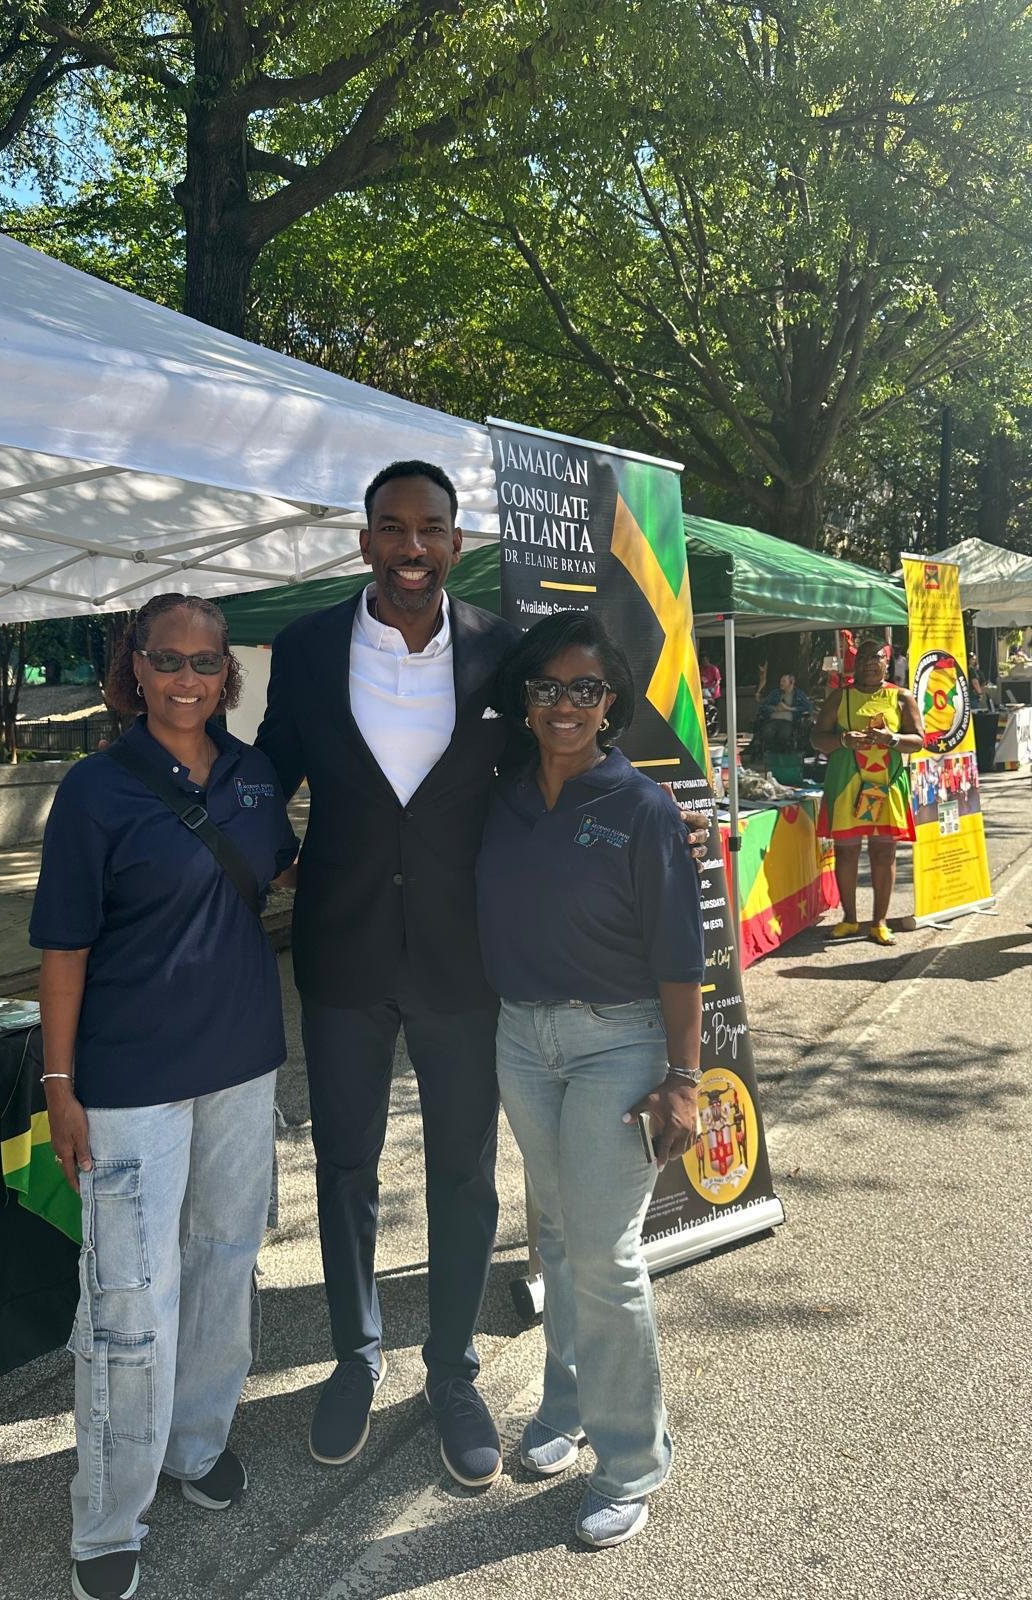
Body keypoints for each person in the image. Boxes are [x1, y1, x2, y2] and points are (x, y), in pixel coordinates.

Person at [256, 458, 712, 1491]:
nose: (411, 547)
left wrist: (657, 816)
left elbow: (559, 756)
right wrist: (229, 841)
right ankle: (355, 1356)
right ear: (365, 541)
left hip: (465, 961)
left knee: (464, 1175)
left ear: (457, 544)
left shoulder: (505, 652)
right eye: (392, 527)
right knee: (344, 1166)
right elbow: (268, 770)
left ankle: (452, 1371)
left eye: (431, 529)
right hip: (342, 954)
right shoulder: (307, 647)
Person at [30, 593, 298, 1600]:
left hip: (242, 1064)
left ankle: (195, 1442)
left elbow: (283, 873)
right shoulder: (95, 789)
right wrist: (60, 1086)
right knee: (129, 1298)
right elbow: (64, 950)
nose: (188, 678)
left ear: (228, 675)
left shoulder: (255, 777)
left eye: (205, 662)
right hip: (130, 1079)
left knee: (225, 1261)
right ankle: (109, 1516)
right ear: (134, 668)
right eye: (168, 659)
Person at [475, 611, 704, 1548]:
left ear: (611, 702)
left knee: (605, 1253)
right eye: (547, 687)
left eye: (585, 688)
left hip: (620, 1043)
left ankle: (631, 1461)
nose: (564, 704)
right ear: (525, 699)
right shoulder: (502, 795)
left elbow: (681, 955)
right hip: (521, 1039)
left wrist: (684, 1077)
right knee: (560, 1235)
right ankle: (566, 1406)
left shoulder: (643, 807)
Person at [812, 636, 924, 946]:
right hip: (846, 783)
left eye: (876, 658)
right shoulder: (840, 697)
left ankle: (879, 923)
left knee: (884, 852)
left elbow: (918, 740)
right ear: (855, 664)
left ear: (887, 662)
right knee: (847, 852)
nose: (870, 664)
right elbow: (817, 738)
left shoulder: (901, 697)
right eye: (863, 659)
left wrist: (891, 739)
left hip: (886, 784)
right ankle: (849, 919)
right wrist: (842, 741)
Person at [745, 671, 814, 762]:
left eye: (784, 681)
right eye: (781, 681)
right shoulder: (775, 693)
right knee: (767, 732)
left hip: (788, 721)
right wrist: (774, 708)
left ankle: (781, 757)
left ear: (791, 682)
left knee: (784, 734)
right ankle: (770, 756)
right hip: (773, 720)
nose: (781, 683)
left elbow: (808, 707)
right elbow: (764, 705)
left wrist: (789, 708)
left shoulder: (798, 694)